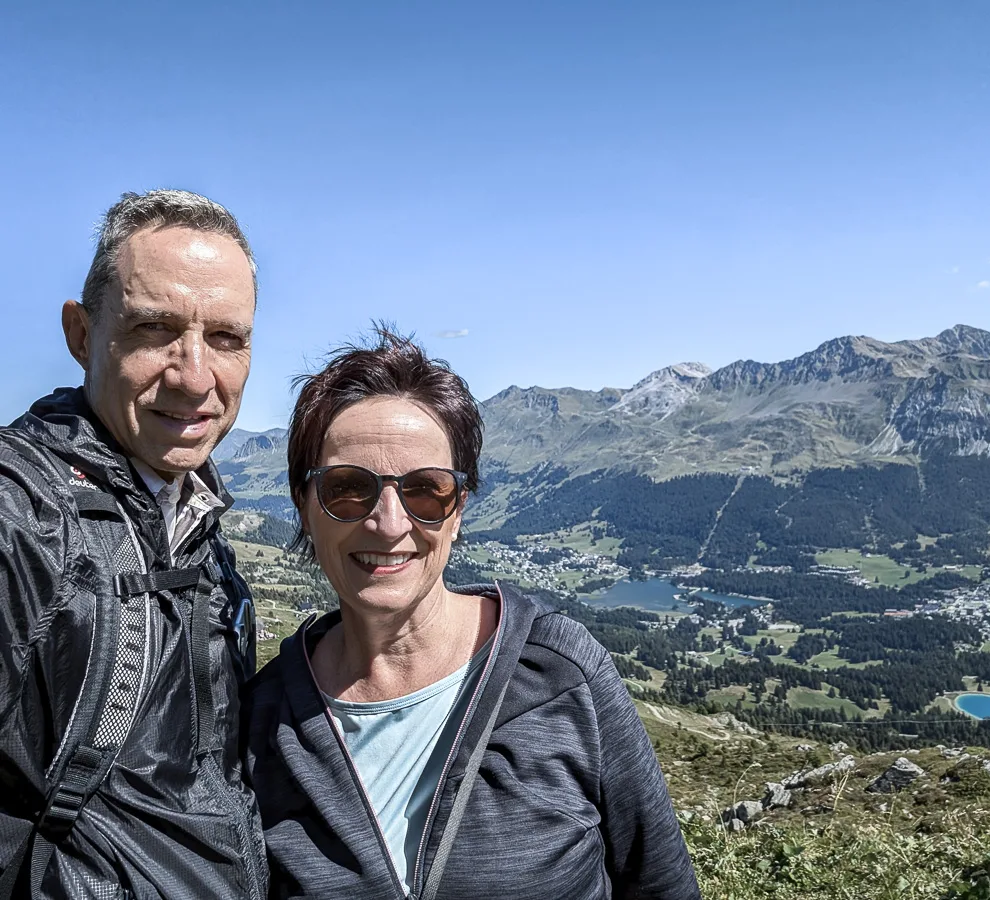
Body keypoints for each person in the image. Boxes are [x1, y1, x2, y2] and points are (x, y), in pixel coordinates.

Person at [244, 329, 699, 899]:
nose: (389, 523)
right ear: (304, 507)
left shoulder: (560, 672)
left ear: (458, 510)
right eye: (349, 489)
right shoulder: (261, 723)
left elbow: (661, 885)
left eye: (426, 491)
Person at [0, 190, 267, 898]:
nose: (196, 376)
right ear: (81, 334)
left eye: (227, 339)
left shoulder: (190, 522)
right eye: (155, 330)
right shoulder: (19, 518)